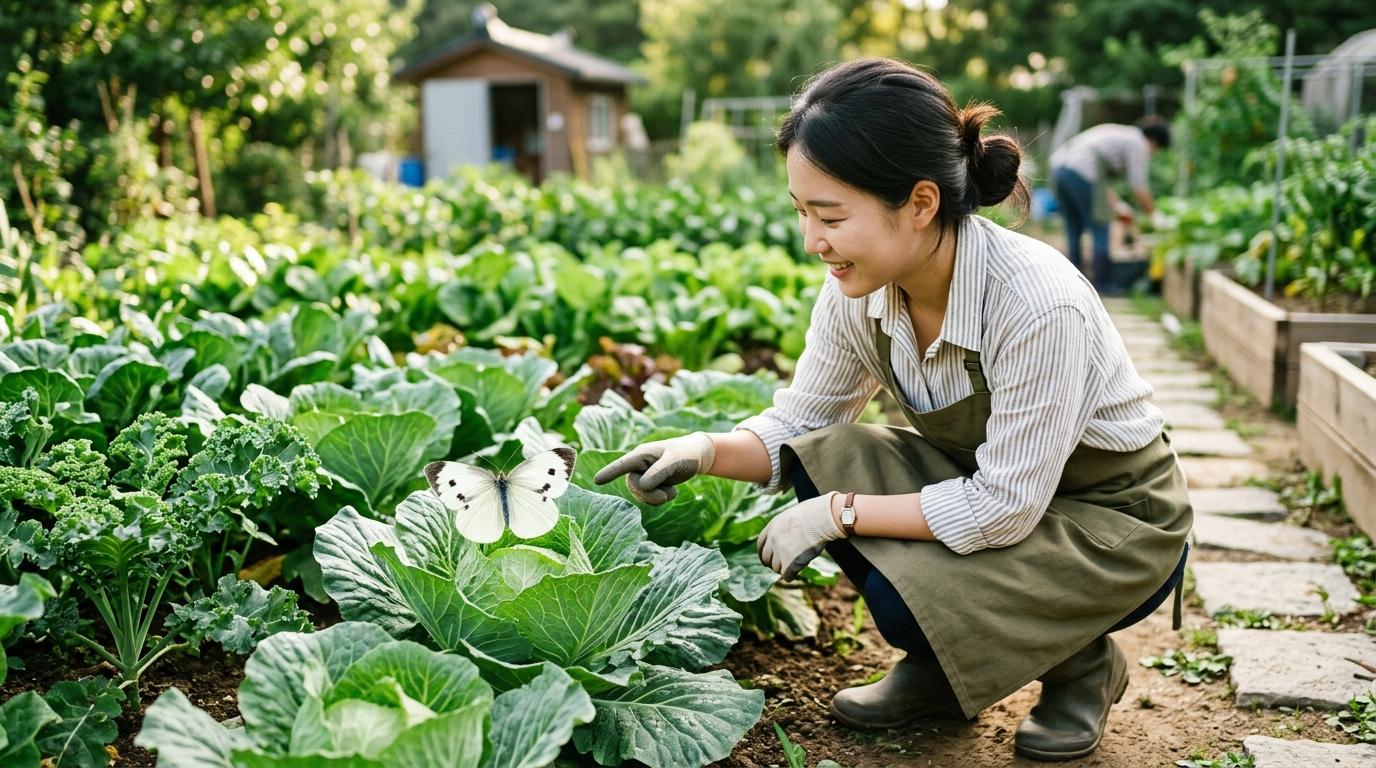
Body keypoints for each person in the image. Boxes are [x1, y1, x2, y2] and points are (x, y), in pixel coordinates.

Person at [592, 57, 1191, 762]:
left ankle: (1082, 667)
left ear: (921, 203)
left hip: (1110, 520)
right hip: (997, 490)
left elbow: (1004, 507)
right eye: (802, 213)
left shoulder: (1035, 302)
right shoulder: (862, 291)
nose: (813, 241)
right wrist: (703, 450)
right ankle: (942, 671)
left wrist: (838, 513)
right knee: (826, 456)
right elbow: (800, 424)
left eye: (831, 216)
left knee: (887, 571)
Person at [1049, 117, 1171, 294]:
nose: (1153, 153)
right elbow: (1139, 186)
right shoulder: (1137, 143)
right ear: (1153, 141)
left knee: (1073, 227)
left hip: (1060, 171)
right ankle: (1102, 283)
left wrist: (1119, 206)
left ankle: (1071, 283)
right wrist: (1154, 215)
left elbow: (1102, 184)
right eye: (1156, 149)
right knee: (1101, 225)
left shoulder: (1120, 133)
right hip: (1081, 172)